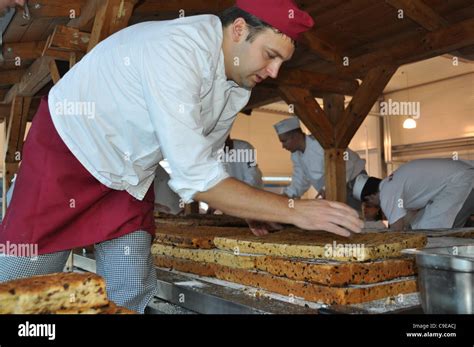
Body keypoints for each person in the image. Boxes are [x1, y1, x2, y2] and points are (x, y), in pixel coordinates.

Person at [0, 0, 362, 312]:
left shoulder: (236, 87)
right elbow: (196, 178)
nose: (274, 72)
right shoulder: (176, 50)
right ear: (238, 30)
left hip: (129, 175)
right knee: (20, 282)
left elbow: (207, 162)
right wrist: (294, 211)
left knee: (130, 283)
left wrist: (251, 208)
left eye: (282, 62)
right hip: (71, 149)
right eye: (270, 56)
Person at [352, 158, 474, 230]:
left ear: (370, 197)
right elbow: (409, 219)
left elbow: (397, 228)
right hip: (461, 176)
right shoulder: (390, 183)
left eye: (368, 203)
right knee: (421, 226)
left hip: (460, 180)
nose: (371, 206)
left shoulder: (386, 192)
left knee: (433, 230)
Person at [274, 116, 366, 210]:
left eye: (284, 141)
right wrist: (288, 194)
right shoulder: (296, 155)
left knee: (353, 217)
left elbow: (345, 166)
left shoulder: (321, 144)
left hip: (352, 182)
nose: (283, 146)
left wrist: (327, 189)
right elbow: (300, 179)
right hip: (333, 189)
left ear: (296, 136)